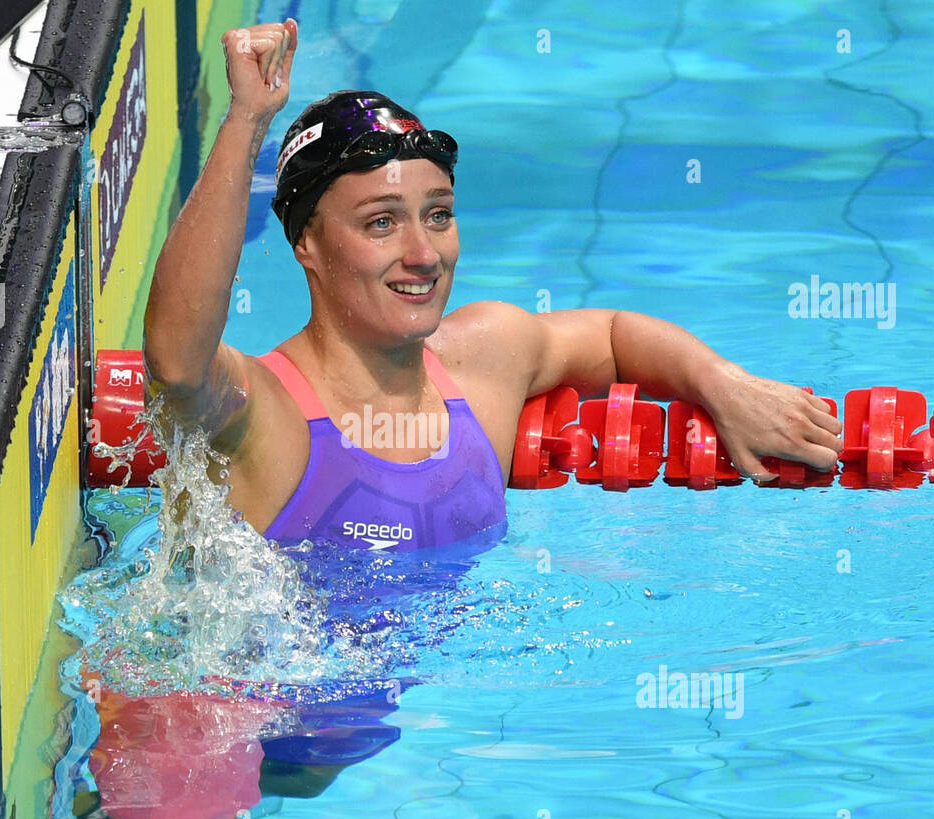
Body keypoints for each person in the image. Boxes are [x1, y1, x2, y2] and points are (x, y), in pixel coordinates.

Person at [143, 18, 843, 553]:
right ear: (307, 246)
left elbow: (611, 335)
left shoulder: (485, 362)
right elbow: (176, 361)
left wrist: (721, 383)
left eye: (438, 215)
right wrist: (246, 121)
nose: (424, 254)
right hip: (235, 722)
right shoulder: (262, 413)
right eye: (381, 223)